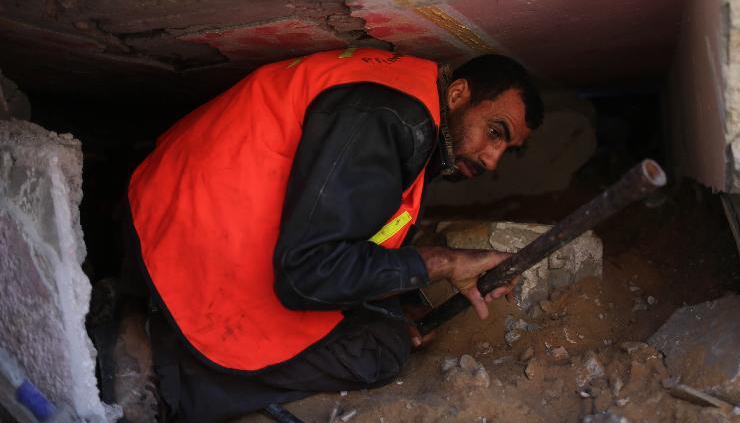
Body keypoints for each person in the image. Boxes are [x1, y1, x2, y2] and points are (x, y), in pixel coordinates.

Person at [123, 47, 544, 421]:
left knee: (385, 321)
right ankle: (163, 373)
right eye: (495, 132)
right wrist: (445, 262)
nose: (493, 160)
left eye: (507, 148)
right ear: (458, 95)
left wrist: (393, 301)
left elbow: (352, 234)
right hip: (182, 249)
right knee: (379, 350)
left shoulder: (404, 95)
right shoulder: (393, 120)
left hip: (176, 212)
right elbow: (308, 275)